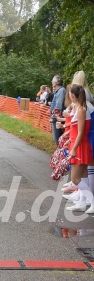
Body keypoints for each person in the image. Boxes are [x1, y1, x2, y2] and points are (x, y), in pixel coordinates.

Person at [63, 84, 94, 213]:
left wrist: (74, 148)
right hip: (77, 144)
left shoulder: (81, 109)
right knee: (83, 175)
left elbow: (81, 132)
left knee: (75, 178)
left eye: (70, 93)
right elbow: (75, 130)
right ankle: (82, 202)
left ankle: (92, 201)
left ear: (73, 95)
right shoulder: (78, 108)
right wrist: (69, 139)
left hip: (80, 146)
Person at [50, 75, 66, 145]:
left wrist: (53, 118)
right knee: (56, 139)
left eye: (52, 81)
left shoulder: (61, 91)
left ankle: (60, 155)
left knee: (58, 139)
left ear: (55, 83)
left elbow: (58, 107)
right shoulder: (58, 91)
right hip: (57, 118)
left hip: (58, 119)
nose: (52, 83)